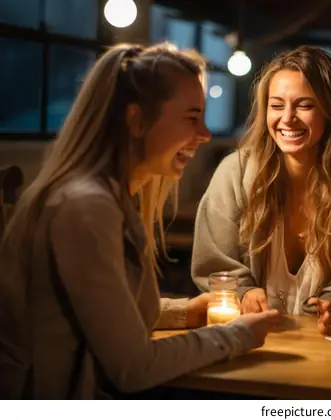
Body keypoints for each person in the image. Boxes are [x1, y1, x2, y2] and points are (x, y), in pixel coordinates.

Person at [0, 42, 279, 399]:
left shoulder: (104, 197)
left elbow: (104, 316)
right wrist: (239, 335)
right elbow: (134, 366)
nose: (206, 134)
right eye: (192, 118)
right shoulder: (86, 207)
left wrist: (184, 313)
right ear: (135, 120)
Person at [191, 46, 331, 334]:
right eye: (276, 106)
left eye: (304, 105)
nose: (287, 118)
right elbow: (214, 262)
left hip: (327, 346)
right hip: (246, 337)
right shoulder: (234, 172)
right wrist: (244, 293)